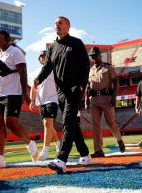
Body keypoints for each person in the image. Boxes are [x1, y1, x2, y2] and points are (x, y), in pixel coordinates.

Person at [33, 16, 91, 173]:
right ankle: (85, 153)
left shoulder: (76, 43)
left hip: (74, 88)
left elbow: (86, 65)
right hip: (61, 91)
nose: (57, 25)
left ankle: (61, 159)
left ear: (68, 27)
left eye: (60, 23)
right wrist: (39, 79)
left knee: (67, 120)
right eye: (55, 23)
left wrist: (81, 85)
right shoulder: (52, 47)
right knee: (71, 122)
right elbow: (47, 67)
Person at [0, 29, 39, 169]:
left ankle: (30, 144)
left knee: (11, 123)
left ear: (7, 39)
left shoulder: (15, 52)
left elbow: (23, 73)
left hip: (13, 93)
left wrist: (25, 93)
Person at [85, 47, 125, 157]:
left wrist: (113, 98)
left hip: (107, 98)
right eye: (92, 56)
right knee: (95, 124)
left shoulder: (108, 68)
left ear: (100, 55)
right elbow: (88, 86)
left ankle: (119, 139)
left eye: (95, 55)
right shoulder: (90, 70)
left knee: (111, 123)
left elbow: (116, 82)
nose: (93, 57)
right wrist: (86, 101)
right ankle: (98, 150)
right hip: (93, 100)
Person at [30, 50, 60, 160]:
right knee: (48, 125)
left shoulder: (54, 69)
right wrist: (32, 100)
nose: (43, 58)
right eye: (41, 56)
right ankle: (58, 145)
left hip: (52, 99)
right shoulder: (35, 72)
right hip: (41, 101)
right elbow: (33, 87)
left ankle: (45, 151)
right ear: (39, 59)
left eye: (45, 56)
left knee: (48, 123)